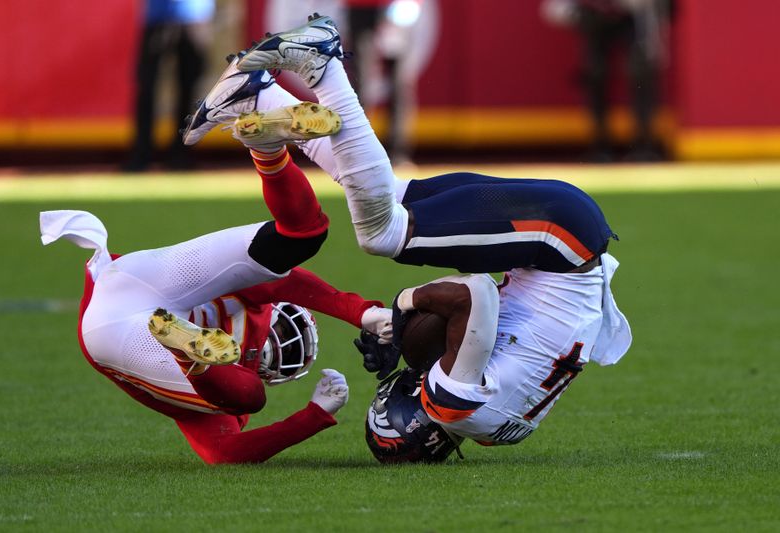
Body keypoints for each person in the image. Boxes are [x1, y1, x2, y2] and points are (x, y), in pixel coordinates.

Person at [190, 14, 632, 461]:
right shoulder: (453, 408)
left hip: (564, 237)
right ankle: (323, 64)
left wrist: (411, 330)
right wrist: (401, 308)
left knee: (382, 194)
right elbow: (475, 291)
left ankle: (257, 95)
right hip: (558, 239)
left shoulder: (495, 427)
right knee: (383, 233)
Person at [40, 98, 393, 464]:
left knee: (305, 234)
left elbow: (287, 284)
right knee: (250, 397)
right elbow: (224, 452)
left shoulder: (256, 303)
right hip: (115, 335)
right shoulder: (242, 378)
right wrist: (315, 414)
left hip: (125, 279)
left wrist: (361, 313)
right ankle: (185, 351)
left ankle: (268, 151)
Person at [541, 0, 671, 162]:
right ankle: (600, 145)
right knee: (595, 74)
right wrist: (576, 13)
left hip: (633, 16)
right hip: (593, 16)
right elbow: (554, 10)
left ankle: (644, 144)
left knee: (640, 71)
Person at [123, 0, 215, 172]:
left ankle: (179, 153)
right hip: (165, 14)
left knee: (188, 86)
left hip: (192, 13)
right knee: (149, 86)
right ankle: (144, 153)